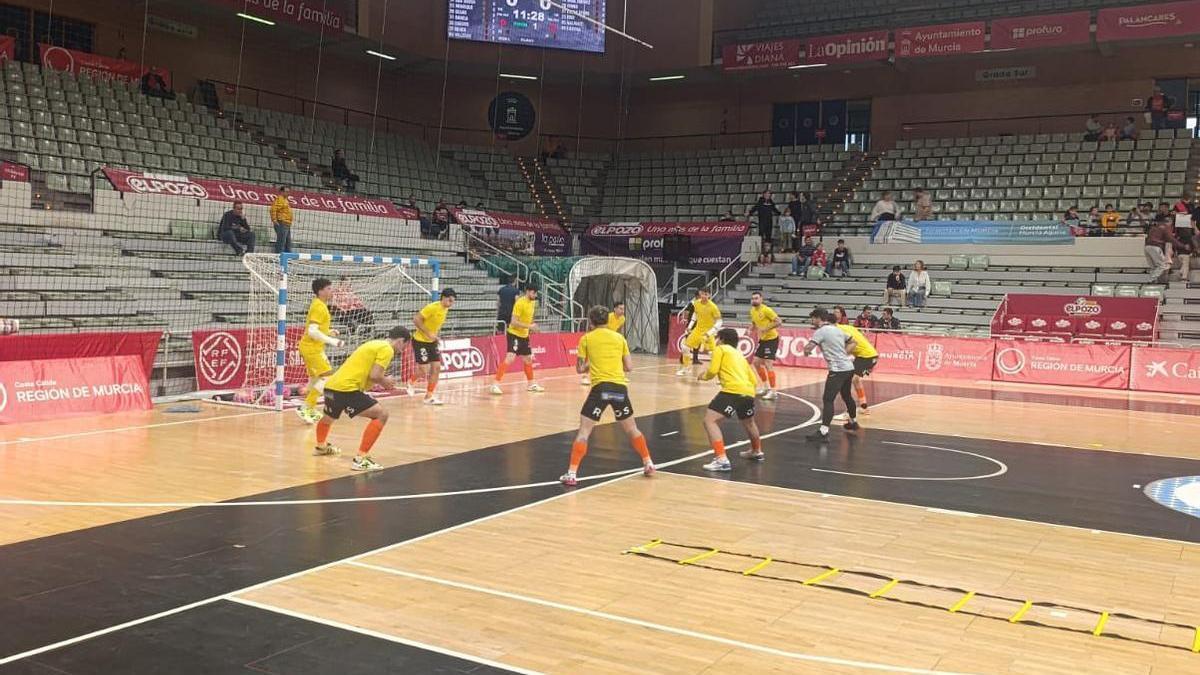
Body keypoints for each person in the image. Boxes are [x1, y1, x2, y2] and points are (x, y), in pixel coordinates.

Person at [561, 306, 655, 486]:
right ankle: (648, 463)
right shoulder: (620, 338)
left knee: (584, 432)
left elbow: (580, 368)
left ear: (591, 321)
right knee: (632, 429)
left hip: (600, 389)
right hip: (619, 388)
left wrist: (592, 363)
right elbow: (629, 367)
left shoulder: (586, 339)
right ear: (607, 320)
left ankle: (572, 473)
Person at [313, 326, 411, 472]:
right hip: (347, 389)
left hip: (332, 386)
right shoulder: (387, 349)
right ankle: (361, 459)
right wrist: (386, 382)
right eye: (404, 346)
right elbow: (375, 375)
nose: (402, 350)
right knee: (381, 414)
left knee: (329, 417)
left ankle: (321, 446)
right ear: (401, 341)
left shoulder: (374, 343)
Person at [699, 328, 764, 472]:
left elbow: (713, 370)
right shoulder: (739, 355)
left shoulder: (720, 349)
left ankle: (721, 459)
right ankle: (756, 451)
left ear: (721, 339)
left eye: (717, 338)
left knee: (710, 421)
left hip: (732, 390)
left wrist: (703, 376)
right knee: (749, 422)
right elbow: (753, 379)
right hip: (748, 391)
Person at [803, 309, 859, 441]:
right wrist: (843, 354)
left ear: (818, 318)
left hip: (837, 370)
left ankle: (823, 432)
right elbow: (853, 342)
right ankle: (853, 421)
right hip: (848, 368)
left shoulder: (821, 331)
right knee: (846, 395)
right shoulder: (837, 329)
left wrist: (806, 351)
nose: (812, 321)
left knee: (828, 399)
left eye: (813, 319)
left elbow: (809, 347)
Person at [296, 278, 345, 424]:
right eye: (329, 289)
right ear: (321, 291)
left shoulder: (320, 305)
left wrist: (329, 332)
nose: (332, 291)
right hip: (312, 349)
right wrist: (332, 341)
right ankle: (305, 408)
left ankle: (308, 409)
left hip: (312, 348)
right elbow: (312, 331)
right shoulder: (319, 307)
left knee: (315, 381)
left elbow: (316, 329)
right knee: (327, 378)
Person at [491, 284, 544, 394]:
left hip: (524, 335)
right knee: (510, 357)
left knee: (528, 359)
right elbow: (513, 322)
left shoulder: (533, 303)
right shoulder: (520, 303)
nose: (535, 295)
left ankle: (531, 384)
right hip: (514, 334)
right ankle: (495, 384)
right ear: (528, 292)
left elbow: (529, 318)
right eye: (534, 293)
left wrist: (533, 326)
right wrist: (530, 326)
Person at [411, 289, 457, 406]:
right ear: (443, 298)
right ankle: (410, 382)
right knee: (424, 369)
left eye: (453, 302)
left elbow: (434, 325)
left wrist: (435, 337)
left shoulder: (445, 310)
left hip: (432, 342)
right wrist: (428, 333)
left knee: (436, 368)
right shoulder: (432, 307)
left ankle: (429, 396)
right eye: (450, 300)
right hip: (420, 341)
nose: (451, 304)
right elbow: (416, 319)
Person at [676, 288, 721, 378]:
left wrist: (710, 332)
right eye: (702, 294)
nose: (704, 296)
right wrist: (689, 327)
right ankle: (686, 367)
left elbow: (719, 321)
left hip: (708, 332)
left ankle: (720, 375)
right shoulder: (696, 303)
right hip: (697, 330)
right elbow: (695, 315)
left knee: (713, 354)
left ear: (709, 295)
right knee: (685, 347)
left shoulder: (713, 307)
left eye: (706, 294)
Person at [838, 320, 879, 416]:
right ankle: (864, 406)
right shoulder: (848, 327)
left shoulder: (840, 331)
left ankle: (851, 410)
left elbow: (852, 344)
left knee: (854, 379)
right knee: (856, 380)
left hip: (868, 356)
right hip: (861, 356)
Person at [747, 291, 781, 401]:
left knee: (768, 364)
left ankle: (773, 391)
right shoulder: (752, 311)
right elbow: (754, 323)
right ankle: (765, 387)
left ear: (761, 299)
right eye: (753, 298)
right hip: (763, 340)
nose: (754, 300)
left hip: (771, 339)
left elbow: (779, 322)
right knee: (756, 363)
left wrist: (765, 329)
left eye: (756, 298)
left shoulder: (766, 310)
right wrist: (750, 329)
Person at [582, 301, 625, 385]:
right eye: (620, 309)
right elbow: (595, 326)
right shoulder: (608, 317)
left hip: (611, 340)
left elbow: (619, 330)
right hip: (600, 339)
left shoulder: (623, 318)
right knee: (592, 358)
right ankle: (585, 376)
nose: (622, 311)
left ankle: (616, 376)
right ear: (615, 309)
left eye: (623, 309)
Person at [1145, 215, 1172, 284]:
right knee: (1163, 265)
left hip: (1147, 247)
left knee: (1153, 267)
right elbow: (1170, 239)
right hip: (1155, 247)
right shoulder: (1164, 228)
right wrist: (1182, 246)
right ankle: (1151, 279)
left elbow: (1147, 238)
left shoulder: (1152, 228)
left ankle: (1153, 281)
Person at [270, 187, 293, 253]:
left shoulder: (285, 200)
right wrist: (274, 220)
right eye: (286, 191)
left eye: (289, 192)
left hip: (286, 224)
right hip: (282, 223)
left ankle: (288, 257)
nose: (288, 193)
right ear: (281, 192)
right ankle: (279, 257)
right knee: (281, 242)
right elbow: (273, 209)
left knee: (287, 242)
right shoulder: (280, 199)